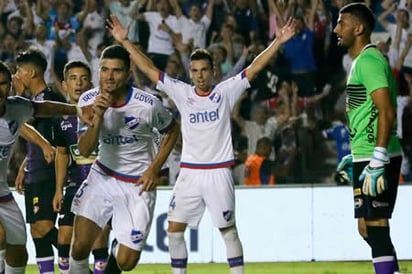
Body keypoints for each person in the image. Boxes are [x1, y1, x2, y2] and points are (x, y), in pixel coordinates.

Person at [107, 14, 296, 274]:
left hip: (219, 171)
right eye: (195, 71)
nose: (199, 75)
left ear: (213, 71)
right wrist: (126, 42)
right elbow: (150, 69)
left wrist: (277, 41)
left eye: (204, 70)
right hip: (189, 173)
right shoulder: (183, 93)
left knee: (228, 231)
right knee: (174, 231)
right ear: (190, 73)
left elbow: (254, 67)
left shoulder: (225, 92)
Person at [68, 45, 180, 274]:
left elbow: (172, 130)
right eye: (104, 69)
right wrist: (97, 118)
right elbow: (86, 150)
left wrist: (153, 170)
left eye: (116, 71)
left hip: (137, 185)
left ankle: (118, 244)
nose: (109, 76)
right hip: (102, 176)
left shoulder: (148, 105)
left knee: (126, 263)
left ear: (128, 73)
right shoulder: (88, 100)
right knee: (78, 249)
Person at [0, 60, 90, 274]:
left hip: (3, 194)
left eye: (3, 83)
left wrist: (76, 109)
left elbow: (42, 108)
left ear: (10, 86)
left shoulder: (17, 108)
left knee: (19, 251)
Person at [334, 3, 403, 274]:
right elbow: (369, 112)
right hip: (365, 152)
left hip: (376, 156)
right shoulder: (360, 62)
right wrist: (356, 153)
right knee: (367, 228)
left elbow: (387, 110)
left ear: (359, 28)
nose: (336, 29)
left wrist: (377, 157)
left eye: (342, 23)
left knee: (375, 226)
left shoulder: (370, 61)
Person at [12, 46, 68, 274]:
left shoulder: (48, 101)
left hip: (47, 175)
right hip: (35, 172)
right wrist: (25, 166)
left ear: (32, 73)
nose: (16, 76)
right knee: (36, 230)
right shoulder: (35, 100)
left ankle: (75, 256)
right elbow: (38, 139)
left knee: (44, 226)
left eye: (19, 71)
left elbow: (60, 141)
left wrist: (59, 185)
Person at [52, 61, 111, 274]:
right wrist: (59, 189)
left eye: (84, 78)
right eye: (73, 78)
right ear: (64, 85)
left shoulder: (103, 111)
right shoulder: (61, 119)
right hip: (74, 184)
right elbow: (61, 153)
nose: (79, 83)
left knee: (99, 237)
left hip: (102, 183)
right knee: (64, 238)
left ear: (91, 83)